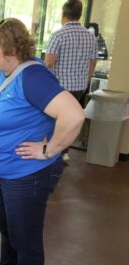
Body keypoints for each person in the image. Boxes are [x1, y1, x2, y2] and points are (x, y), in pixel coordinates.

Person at [0, 18, 85, 265]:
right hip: (7, 173)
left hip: (26, 177)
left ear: (10, 49)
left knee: (26, 243)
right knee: (9, 232)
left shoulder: (32, 77)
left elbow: (74, 115)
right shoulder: (9, 72)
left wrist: (49, 149)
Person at [44, 0, 98, 160]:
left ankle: (49, 152)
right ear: (79, 14)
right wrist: (86, 81)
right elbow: (93, 62)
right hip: (79, 87)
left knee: (51, 120)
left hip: (59, 88)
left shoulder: (58, 35)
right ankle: (64, 152)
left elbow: (49, 62)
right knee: (69, 119)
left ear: (63, 15)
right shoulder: (90, 36)